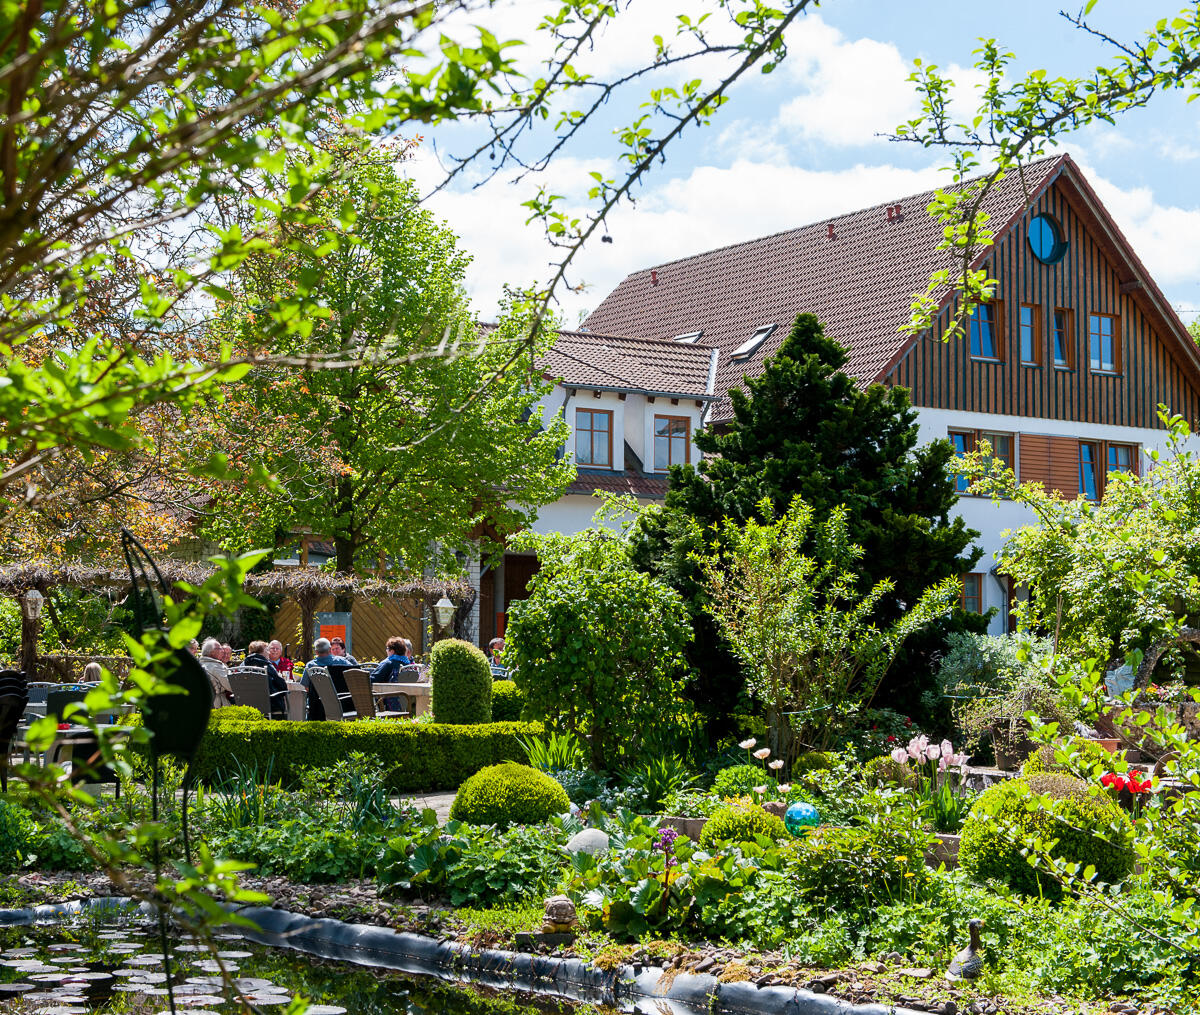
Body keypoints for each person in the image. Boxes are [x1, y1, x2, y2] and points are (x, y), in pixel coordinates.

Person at [301, 637, 350, 720]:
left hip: (316, 707)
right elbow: (353, 675)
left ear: (316, 652)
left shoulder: (310, 665)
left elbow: (306, 687)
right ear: (330, 649)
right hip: (341, 703)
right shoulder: (342, 662)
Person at [244, 639, 288, 719]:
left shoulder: (244, 664)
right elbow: (282, 686)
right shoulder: (266, 665)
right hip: (270, 704)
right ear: (261, 652)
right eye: (267, 650)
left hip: (249, 703)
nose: (269, 652)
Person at [199, 637, 233, 709]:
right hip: (217, 705)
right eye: (220, 648)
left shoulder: (200, 664)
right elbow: (231, 685)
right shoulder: (216, 666)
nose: (222, 651)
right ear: (212, 652)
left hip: (203, 703)